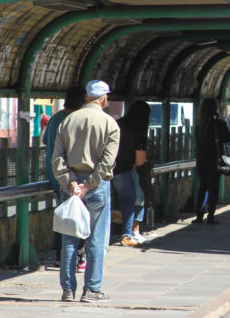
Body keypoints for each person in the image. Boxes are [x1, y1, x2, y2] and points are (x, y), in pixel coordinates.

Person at [52, 80, 120, 303]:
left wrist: (71, 183)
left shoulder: (68, 121)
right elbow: (107, 162)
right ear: (104, 99)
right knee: (96, 240)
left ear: (86, 98)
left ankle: (68, 290)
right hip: (97, 186)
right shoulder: (110, 124)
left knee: (69, 241)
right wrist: (89, 184)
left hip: (70, 187)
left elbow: (57, 159)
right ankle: (91, 289)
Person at [42, 86, 87, 271]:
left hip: (53, 174)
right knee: (75, 216)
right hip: (70, 176)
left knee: (62, 214)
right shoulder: (74, 120)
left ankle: (60, 256)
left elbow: (46, 142)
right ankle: (77, 258)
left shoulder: (54, 119)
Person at [111, 100, 151, 247]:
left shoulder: (119, 123)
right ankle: (127, 234)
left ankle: (116, 218)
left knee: (115, 200)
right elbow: (140, 161)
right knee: (130, 200)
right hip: (124, 169)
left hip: (109, 169)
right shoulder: (139, 130)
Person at [193, 98, 230, 224]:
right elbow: (227, 138)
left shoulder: (199, 125)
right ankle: (211, 215)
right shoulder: (219, 124)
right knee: (213, 187)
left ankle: (199, 216)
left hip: (201, 160)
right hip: (215, 160)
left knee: (202, 187)